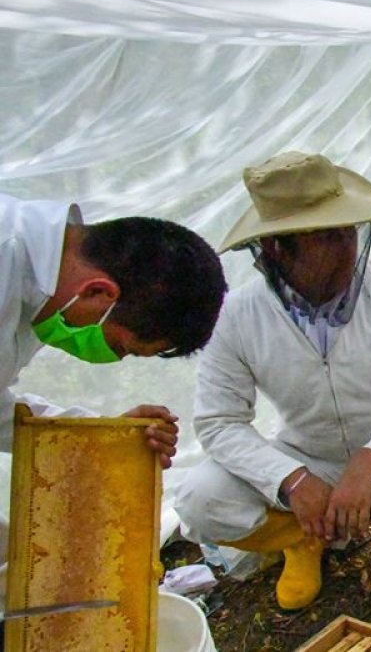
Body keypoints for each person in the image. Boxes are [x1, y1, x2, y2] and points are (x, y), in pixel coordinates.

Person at [174, 152, 371, 630]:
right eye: (327, 236)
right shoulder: (238, 315)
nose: (347, 248)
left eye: (349, 231)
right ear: (277, 249)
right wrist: (292, 479)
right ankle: (303, 541)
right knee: (200, 496)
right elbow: (219, 422)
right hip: (308, 468)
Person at [0, 192, 227, 609]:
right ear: (99, 292)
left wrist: (103, 435)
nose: (108, 357)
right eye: (121, 347)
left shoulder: (38, 282)